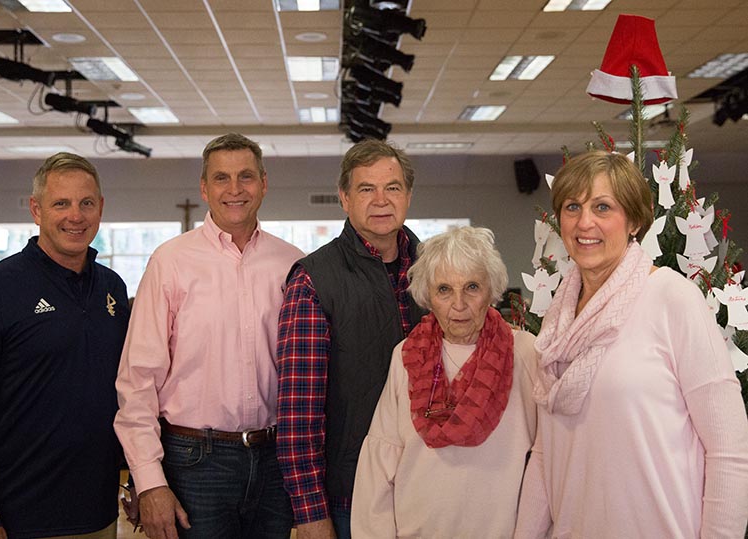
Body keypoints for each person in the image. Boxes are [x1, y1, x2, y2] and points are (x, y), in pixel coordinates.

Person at [513, 150, 748, 538]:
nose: (584, 222)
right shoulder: (558, 319)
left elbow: (729, 450)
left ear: (635, 220)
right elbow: (547, 451)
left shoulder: (672, 298)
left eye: (603, 207)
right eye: (573, 206)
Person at [114, 133, 303, 539]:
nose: (234, 189)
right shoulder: (170, 262)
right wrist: (150, 481)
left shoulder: (293, 263)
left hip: (276, 462)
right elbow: (137, 380)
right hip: (194, 463)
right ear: (204, 187)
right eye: (221, 178)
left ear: (264, 183)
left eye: (246, 177)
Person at [0, 152, 130, 539]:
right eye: (61, 203)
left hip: (99, 514)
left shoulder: (112, 288)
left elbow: (125, 394)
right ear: (36, 209)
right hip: (16, 519)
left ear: (101, 208)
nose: (75, 216)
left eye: (86, 203)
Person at [276, 139, 426, 539]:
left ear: (408, 196)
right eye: (366, 189)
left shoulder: (435, 271)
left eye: (392, 188)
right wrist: (309, 513)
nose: (381, 200)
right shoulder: (313, 279)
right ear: (344, 198)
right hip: (351, 497)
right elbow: (297, 411)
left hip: (428, 486)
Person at [351, 226, 537, 538]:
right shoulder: (407, 355)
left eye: (472, 287)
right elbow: (380, 461)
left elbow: (545, 458)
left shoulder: (525, 352)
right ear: (427, 296)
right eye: (444, 290)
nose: (459, 303)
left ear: (492, 290)